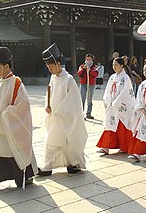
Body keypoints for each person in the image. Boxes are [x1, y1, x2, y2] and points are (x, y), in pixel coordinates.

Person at [0, 47, 38, 191]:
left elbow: (22, 105)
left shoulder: (16, 83)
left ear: (7, 66)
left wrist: (6, 114)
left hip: (11, 126)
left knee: (15, 150)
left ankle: (25, 176)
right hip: (1, 126)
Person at [38, 43, 88, 176]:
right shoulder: (53, 78)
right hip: (55, 116)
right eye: (48, 67)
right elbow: (49, 95)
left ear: (59, 64)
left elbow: (73, 100)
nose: (49, 69)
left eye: (51, 66)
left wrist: (60, 112)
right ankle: (51, 166)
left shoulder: (69, 79)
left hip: (63, 116)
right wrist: (47, 106)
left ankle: (71, 164)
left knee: (64, 141)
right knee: (54, 140)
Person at [96, 57, 136, 155]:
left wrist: (116, 102)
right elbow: (107, 90)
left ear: (122, 66)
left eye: (116, 65)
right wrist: (108, 100)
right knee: (109, 125)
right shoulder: (112, 77)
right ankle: (105, 147)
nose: (114, 67)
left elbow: (126, 92)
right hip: (111, 105)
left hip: (120, 105)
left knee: (122, 127)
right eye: (113, 65)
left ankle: (125, 146)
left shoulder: (125, 78)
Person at [77, 54, 98, 119]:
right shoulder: (82, 66)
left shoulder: (94, 67)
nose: (88, 61)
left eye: (89, 59)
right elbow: (79, 74)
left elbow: (96, 74)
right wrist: (84, 69)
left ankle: (88, 113)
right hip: (83, 84)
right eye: (87, 59)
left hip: (91, 84)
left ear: (92, 60)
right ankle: (81, 114)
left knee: (89, 99)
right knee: (82, 99)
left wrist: (90, 71)